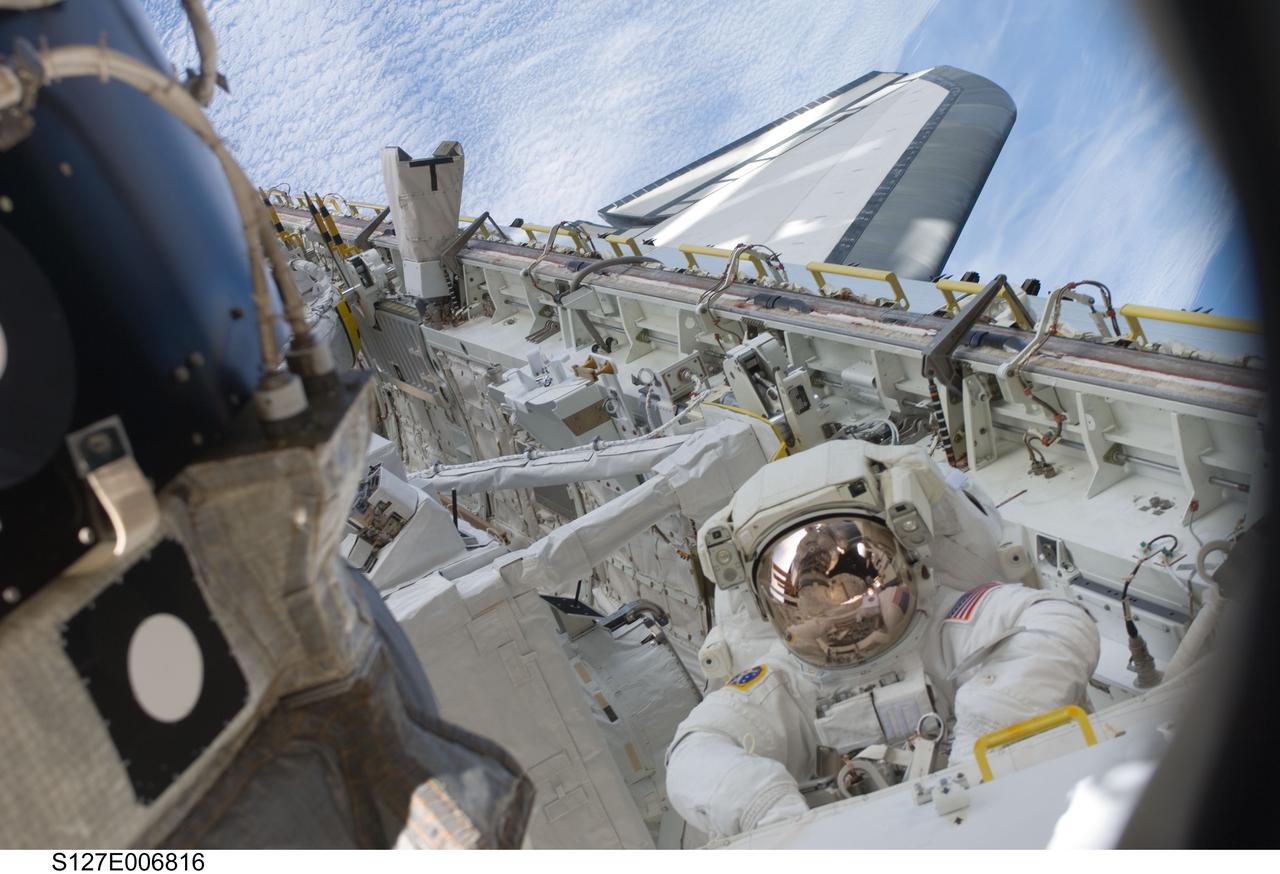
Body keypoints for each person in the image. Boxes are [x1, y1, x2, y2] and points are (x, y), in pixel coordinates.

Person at [669, 440, 1100, 838]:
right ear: (770, 606)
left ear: (906, 557)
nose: (839, 607)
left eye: (855, 580)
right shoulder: (784, 683)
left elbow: (1057, 623)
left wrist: (984, 739)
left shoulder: (954, 620)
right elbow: (694, 753)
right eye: (807, 593)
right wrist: (773, 814)